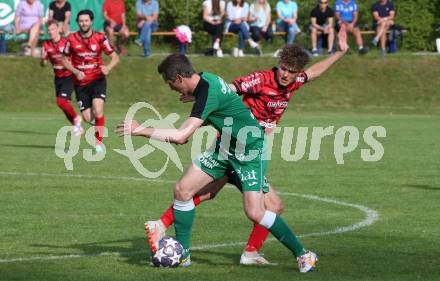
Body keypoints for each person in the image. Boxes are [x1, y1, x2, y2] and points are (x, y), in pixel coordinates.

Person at [116, 52, 328, 272]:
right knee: (182, 190)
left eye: (170, 83)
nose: (171, 88)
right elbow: (218, 111)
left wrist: (139, 130)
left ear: (179, 78)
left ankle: (304, 255)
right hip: (225, 147)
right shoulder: (206, 79)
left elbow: (181, 137)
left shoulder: (208, 92)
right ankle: (184, 255)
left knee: (255, 211)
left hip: (248, 150)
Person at [61, 10, 119, 152]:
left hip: (98, 80)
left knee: (98, 109)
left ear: (91, 22)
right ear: (78, 22)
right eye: (81, 21)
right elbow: (64, 60)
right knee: (88, 118)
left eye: (86, 20)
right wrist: (75, 71)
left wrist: (108, 68)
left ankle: (99, 143)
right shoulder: (72, 39)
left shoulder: (100, 37)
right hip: (80, 84)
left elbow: (115, 57)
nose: (84, 23)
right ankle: (99, 125)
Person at [41, 20, 83, 136]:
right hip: (58, 77)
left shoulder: (66, 42)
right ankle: (77, 126)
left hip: (69, 76)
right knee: (63, 105)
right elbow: (43, 62)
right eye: (49, 30)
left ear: (58, 29)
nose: (51, 32)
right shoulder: (46, 45)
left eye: (53, 29)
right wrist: (43, 60)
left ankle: (77, 118)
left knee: (61, 101)